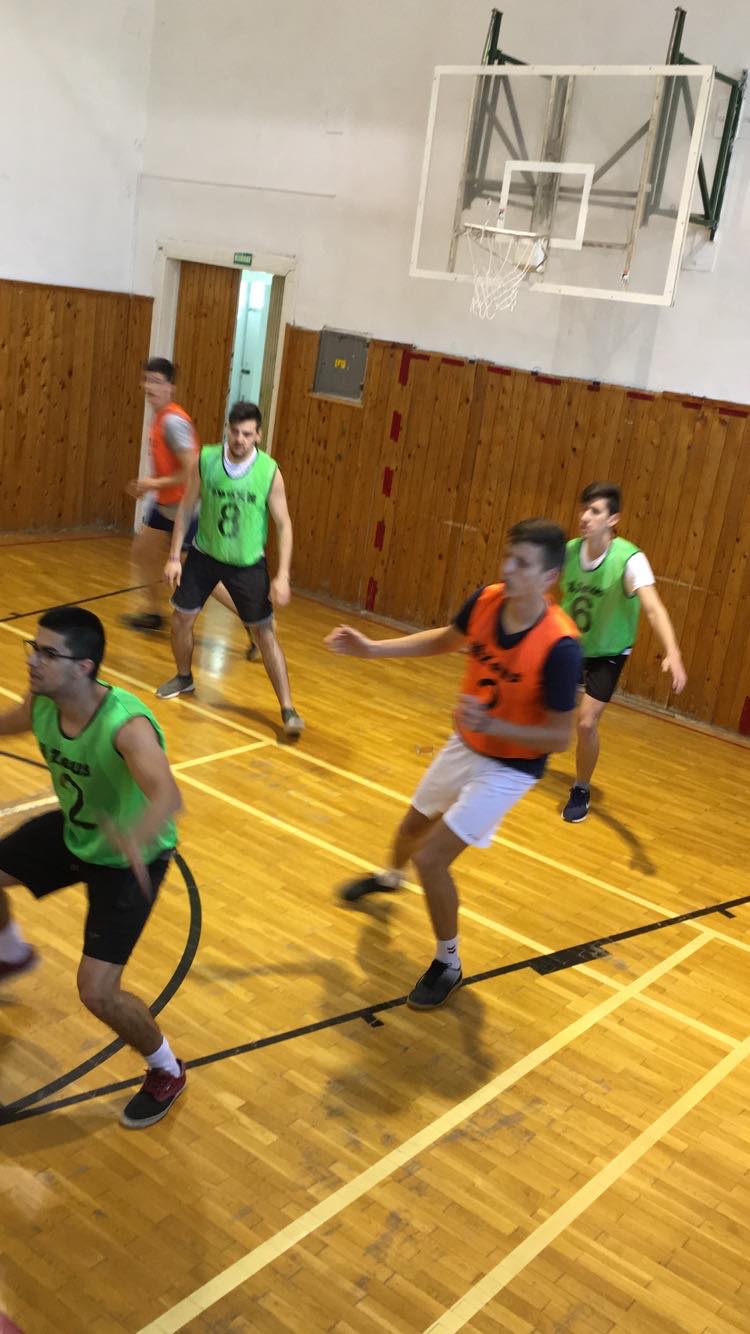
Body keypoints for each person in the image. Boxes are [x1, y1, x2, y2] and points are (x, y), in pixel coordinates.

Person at [326, 519, 581, 1011]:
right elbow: (445, 640)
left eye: (523, 564)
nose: (508, 569)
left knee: (431, 859)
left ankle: (449, 964)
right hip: (467, 742)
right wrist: (370, 649)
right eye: (509, 557)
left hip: (510, 767)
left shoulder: (560, 646)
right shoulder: (486, 601)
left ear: (549, 578)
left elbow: (559, 737)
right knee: (411, 827)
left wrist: (495, 724)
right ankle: (390, 879)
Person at [0, 606, 186, 1129]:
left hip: (129, 861)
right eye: (33, 648)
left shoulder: (126, 726)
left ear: (83, 667)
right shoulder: (45, 699)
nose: (32, 660)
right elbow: (17, 721)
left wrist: (136, 838)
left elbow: (167, 795)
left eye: (47, 653)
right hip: (76, 832)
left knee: (97, 992)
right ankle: (11, 953)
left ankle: (167, 1069)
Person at [157, 400, 305, 737]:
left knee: (264, 633)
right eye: (235, 431)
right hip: (204, 555)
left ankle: (288, 709)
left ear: (258, 435)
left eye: (247, 434)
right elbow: (186, 508)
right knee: (181, 618)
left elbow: (284, 524)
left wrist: (282, 575)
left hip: (247, 565)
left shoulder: (269, 471)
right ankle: (184, 677)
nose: (239, 439)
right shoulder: (207, 459)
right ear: (227, 429)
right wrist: (173, 556)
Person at [559, 481, 687, 823]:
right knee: (546, 704)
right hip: (571, 643)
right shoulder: (569, 551)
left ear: (613, 519)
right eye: (583, 509)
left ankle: (581, 787)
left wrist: (672, 651)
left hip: (610, 650)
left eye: (595, 511)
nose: (585, 517)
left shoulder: (630, 560)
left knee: (586, 723)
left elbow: (654, 608)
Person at [124, 357, 259, 660]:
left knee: (202, 578)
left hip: (188, 506)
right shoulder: (159, 417)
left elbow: (190, 470)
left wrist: (151, 484)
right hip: (166, 504)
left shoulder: (174, 422)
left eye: (157, 382)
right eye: (147, 380)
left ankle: (255, 622)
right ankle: (153, 613)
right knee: (143, 550)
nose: (150, 387)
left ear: (170, 387)